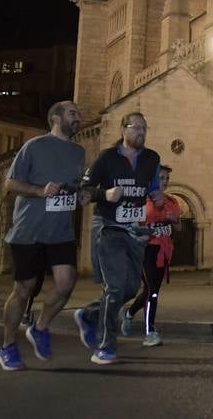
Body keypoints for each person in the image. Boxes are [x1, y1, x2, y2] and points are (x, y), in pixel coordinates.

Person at [0, 101, 90, 371]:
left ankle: (40, 327)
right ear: (56, 118)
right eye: (73, 113)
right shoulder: (34, 146)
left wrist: (81, 194)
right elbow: (10, 183)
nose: (78, 118)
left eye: (78, 114)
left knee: (66, 283)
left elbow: (74, 185)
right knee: (23, 290)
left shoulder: (78, 152)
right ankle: (8, 347)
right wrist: (39, 191)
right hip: (30, 230)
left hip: (61, 231)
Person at [73, 111, 161, 366]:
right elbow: (83, 193)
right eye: (136, 127)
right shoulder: (107, 158)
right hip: (109, 227)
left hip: (135, 230)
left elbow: (153, 187)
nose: (141, 132)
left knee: (130, 289)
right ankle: (105, 346)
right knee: (114, 287)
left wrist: (156, 196)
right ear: (123, 130)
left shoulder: (152, 158)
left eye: (144, 128)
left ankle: (90, 314)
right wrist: (104, 194)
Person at [123, 165, 180, 347]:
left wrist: (174, 221)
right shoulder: (141, 201)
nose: (164, 182)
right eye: (161, 178)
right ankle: (150, 332)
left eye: (166, 179)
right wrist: (146, 229)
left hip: (163, 251)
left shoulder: (172, 202)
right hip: (145, 249)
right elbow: (132, 226)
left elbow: (178, 228)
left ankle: (129, 313)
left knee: (150, 290)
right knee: (152, 290)